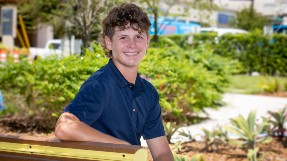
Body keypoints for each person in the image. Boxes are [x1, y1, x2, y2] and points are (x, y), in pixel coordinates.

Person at [55, 3, 174, 161]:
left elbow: (161, 153)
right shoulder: (100, 84)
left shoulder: (148, 93)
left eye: (138, 37)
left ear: (147, 42)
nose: (132, 44)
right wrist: (123, 147)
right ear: (109, 42)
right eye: (123, 37)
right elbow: (64, 127)